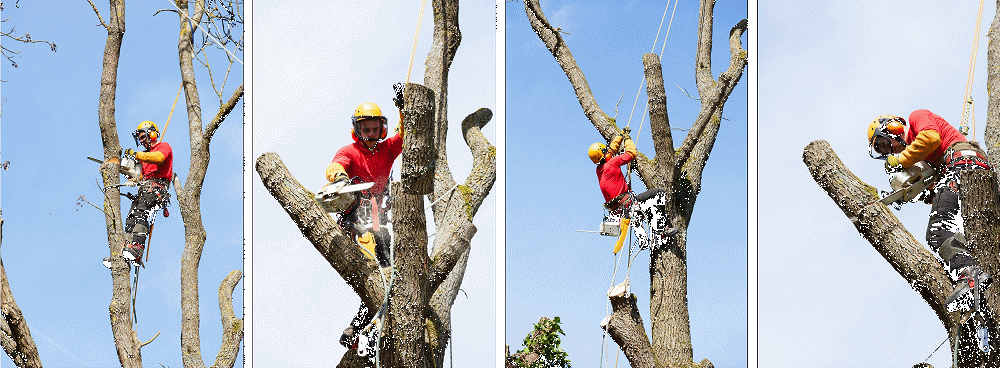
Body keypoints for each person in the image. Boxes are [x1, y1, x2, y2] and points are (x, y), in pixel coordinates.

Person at [868, 110, 993, 311]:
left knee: (937, 231)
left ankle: (968, 273)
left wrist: (901, 161)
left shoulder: (917, 118)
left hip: (961, 167)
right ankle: (973, 273)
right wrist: (918, 193)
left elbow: (931, 138)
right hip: (965, 173)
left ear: (893, 128)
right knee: (968, 238)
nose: (889, 151)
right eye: (882, 151)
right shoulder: (923, 160)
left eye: (884, 144)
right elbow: (938, 193)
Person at [327, 83, 405, 352]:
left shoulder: (387, 149)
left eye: (375, 129)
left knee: (387, 273)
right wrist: (339, 177)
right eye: (365, 129)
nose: (371, 134)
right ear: (357, 130)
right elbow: (336, 165)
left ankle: (356, 331)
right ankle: (365, 330)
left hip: (378, 218)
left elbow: (404, 137)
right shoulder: (349, 151)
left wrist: (403, 111)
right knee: (381, 271)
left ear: (382, 128)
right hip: (355, 224)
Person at [588, 128, 678, 251]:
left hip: (618, 211)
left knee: (633, 212)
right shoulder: (612, 163)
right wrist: (627, 140)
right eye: (606, 152)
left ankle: (642, 239)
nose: (609, 152)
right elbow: (631, 153)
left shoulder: (599, 169)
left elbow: (611, 150)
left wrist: (620, 135)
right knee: (659, 193)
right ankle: (661, 230)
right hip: (628, 205)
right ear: (605, 155)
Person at [103, 121, 173, 269]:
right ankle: (124, 251)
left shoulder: (163, 147)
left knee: (141, 213)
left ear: (152, 134)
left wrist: (136, 155)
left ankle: (138, 247)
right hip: (144, 191)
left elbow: (159, 158)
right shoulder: (144, 158)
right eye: (139, 139)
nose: (141, 141)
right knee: (131, 218)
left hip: (156, 190)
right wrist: (129, 174)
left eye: (143, 137)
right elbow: (140, 177)